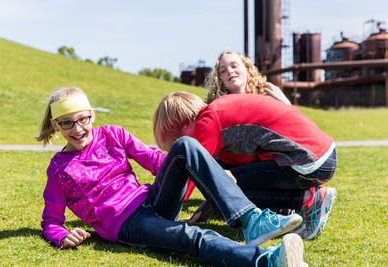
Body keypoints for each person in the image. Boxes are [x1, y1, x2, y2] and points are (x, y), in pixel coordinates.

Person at [36, 86, 307, 267]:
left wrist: (212, 169)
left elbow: (156, 160)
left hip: (152, 198)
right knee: (191, 236)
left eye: (82, 119)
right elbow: (51, 219)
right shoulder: (59, 170)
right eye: (67, 123)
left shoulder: (112, 134)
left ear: (92, 115)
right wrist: (61, 235)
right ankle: (267, 261)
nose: (78, 128)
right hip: (127, 223)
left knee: (185, 146)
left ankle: (252, 220)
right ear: (56, 125)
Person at [153, 91, 337, 241]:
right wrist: (204, 210)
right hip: (321, 158)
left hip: (305, 161)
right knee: (228, 182)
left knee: (229, 188)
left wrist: (152, 208)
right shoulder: (220, 112)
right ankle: (307, 198)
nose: (184, 145)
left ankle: (308, 199)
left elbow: (189, 183)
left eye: (178, 141)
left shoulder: (207, 123)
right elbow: (235, 167)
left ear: (183, 124)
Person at [205, 51, 291, 105]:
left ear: (248, 70)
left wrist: (286, 105)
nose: (230, 71)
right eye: (223, 71)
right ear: (220, 80)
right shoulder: (216, 107)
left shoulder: (268, 99)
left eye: (234, 66)